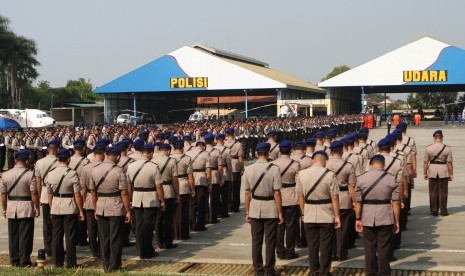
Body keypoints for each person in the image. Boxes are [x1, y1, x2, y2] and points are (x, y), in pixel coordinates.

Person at [355, 155, 400, 276]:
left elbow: (358, 202)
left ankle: (370, 272)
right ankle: (384, 272)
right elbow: (396, 202)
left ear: (370, 163)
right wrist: (397, 221)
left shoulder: (361, 178)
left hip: (367, 215)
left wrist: (358, 218)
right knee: (384, 247)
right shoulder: (391, 179)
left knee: (369, 247)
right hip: (385, 214)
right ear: (384, 165)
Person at [297, 151, 340, 276]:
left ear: (312, 160)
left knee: (312, 245)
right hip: (326, 212)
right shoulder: (330, 175)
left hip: (309, 211)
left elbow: (300, 196)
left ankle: (314, 270)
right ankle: (325, 271)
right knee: (326, 245)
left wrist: (303, 212)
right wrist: (337, 216)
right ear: (325, 160)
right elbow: (335, 198)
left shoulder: (302, 174)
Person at [243, 142, 283, 276]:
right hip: (270, 207)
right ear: (268, 154)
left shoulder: (248, 169)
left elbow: (247, 193)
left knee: (256, 241)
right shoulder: (274, 169)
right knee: (270, 241)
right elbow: (277, 193)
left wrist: (247, 211)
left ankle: (258, 270)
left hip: (255, 207)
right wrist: (280, 212)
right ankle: (269, 270)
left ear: (256, 154)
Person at [90, 146, 131, 273]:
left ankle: (106, 264)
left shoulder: (94, 170)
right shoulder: (119, 171)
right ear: (118, 157)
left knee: (104, 238)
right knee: (115, 237)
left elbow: (92, 192)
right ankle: (115, 265)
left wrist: (96, 208)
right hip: (115, 205)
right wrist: (128, 210)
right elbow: (124, 193)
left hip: (101, 205)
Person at [46, 148, 85, 268]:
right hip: (69, 205)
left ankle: (57, 262)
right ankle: (71, 262)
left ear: (58, 159)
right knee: (70, 236)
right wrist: (81, 210)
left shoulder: (50, 173)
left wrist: (52, 208)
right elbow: (77, 195)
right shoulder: (72, 173)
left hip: (56, 205)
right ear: (68, 159)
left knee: (56, 235)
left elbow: (49, 194)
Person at [0, 149, 40, 267]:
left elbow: (3, 194)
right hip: (26, 206)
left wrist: (4, 208)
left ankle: (14, 259)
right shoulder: (30, 174)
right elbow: (34, 193)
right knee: (25, 235)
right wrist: (37, 207)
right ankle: (24, 260)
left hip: (12, 205)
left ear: (16, 160)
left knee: (13, 235)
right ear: (27, 160)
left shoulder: (5, 174)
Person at [127, 144, 165, 258]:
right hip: (150, 198)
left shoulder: (131, 166)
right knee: (148, 226)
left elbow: (129, 185)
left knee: (139, 225)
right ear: (149, 153)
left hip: (137, 197)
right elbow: (158, 186)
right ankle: (148, 251)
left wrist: (129, 199)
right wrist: (162, 200)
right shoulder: (154, 167)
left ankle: (139, 250)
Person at [326, 140, 355, 261]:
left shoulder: (325, 164)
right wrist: (354, 201)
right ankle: (341, 253)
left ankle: (331, 252)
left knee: (329, 227)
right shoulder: (348, 166)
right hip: (343, 197)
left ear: (331, 151)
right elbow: (352, 185)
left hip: (328, 198)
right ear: (342, 151)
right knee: (343, 228)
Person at [272, 140, 300, 260]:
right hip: (291, 196)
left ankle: (280, 251)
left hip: (276, 196)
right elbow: (299, 183)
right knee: (291, 226)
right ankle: (290, 251)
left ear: (279, 151)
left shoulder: (273, 164)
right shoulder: (295, 164)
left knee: (279, 225)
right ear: (290, 150)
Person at [80, 142, 107, 258]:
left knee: (91, 228)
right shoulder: (107, 167)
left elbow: (83, 188)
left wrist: (82, 202)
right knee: (103, 227)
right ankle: (102, 248)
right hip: (103, 199)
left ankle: (94, 250)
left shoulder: (86, 168)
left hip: (90, 200)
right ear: (104, 154)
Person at [35, 139, 60, 257]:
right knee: (57, 224)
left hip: (45, 194)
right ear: (57, 150)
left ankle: (48, 247)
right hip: (57, 194)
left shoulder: (39, 162)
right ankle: (57, 248)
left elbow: (38, 182)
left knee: (47, 224)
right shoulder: (59, 161)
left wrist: (39, 196)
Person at [152, 143, 179, 249]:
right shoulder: (171, 161)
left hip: (156, 191)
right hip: (168, 190)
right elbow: (175, 179)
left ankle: (159, 242)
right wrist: (177, 193)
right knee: (168, 218)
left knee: (158, 218)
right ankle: (168, 241)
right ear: (168, 151)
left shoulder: (153, 160)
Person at [423, 130, 453, 216]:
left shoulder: (428, 148)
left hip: (432, 170)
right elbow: (450, 163)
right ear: (442, 137)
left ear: (434, 138)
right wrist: (451, 174)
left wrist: (425, 173)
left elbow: (425, 163)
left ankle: (434, 210)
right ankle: (443, 211)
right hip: (443, 170)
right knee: (443, 192)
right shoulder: (447, 148)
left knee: (432, 192)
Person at [170, 139, 195, 240]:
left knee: (174, 212)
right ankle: (183, 233)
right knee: (184, 211)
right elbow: (190, 176)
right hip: (183, 185)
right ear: (182, 148)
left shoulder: (169, 158)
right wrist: (192, 189)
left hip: (172, 186)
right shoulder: (187, 159)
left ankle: (175, 233)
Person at [68, 139, 90, 247]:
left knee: (72, 216)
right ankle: (82, 239)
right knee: (82, 216)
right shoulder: (86, 162)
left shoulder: (68, 160)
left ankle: (74, 238)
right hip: (81, 190)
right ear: (84, 149)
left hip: (68, 190)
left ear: (73, 149)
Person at [186, 140, 211, 231]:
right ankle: (200, 224)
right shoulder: (206, 154)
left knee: (192, 203)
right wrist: (209, 183)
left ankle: (191, 224)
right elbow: (208, 171)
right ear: (204, 147)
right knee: (201, 203)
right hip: (201, 179)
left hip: (190, 178)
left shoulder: (188, 153)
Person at [205, 133, 224, 224]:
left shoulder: (202, 151)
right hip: (214, 174)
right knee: (214, 198)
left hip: (205, 175)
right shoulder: (217, 152)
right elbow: (220, 167)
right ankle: (213, 218)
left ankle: (206, 217)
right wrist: (221, 178)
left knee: (205, 199)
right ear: (213, 141)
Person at [224, 128, 244, 213]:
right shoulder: (238, 144)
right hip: (235, 166)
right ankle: (235, 207)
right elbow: (240, 158)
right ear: (234, 133)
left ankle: (228, 206)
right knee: (236, 188)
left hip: (226, 166)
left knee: (227, 188)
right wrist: (242, 168)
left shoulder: (223, 143)